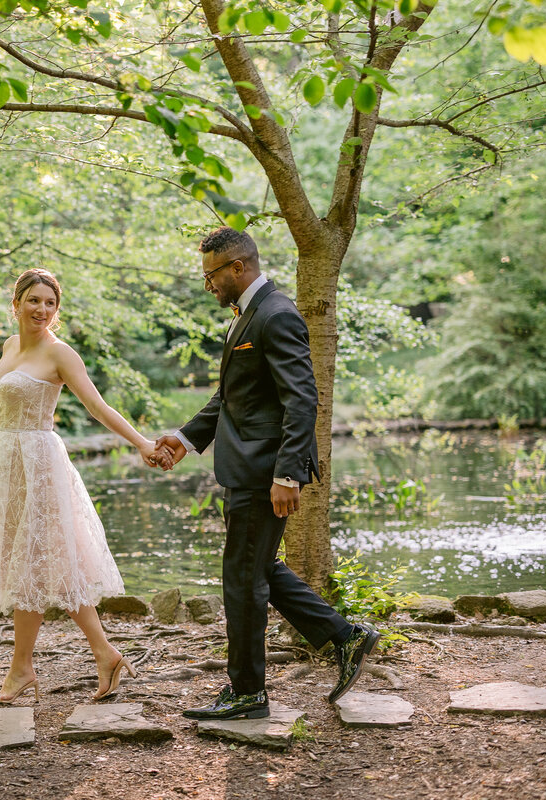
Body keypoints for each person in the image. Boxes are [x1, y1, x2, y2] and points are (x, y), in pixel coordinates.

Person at [150, 226, 377, 721]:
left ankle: (248, 693)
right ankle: (345, 635)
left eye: (212, 275)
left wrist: (287, 475)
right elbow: (232, 399)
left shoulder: (275, 315)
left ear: (239, 267)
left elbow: (303, 401)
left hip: (263, 472)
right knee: (259, 570)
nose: (208, 285)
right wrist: (185, 439)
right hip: (247, 468)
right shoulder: (248, 315)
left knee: (242, 580)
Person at [0, 268, 160, 704]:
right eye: (34, 300)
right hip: (4, 463)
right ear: (16, 303)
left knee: (42, 562)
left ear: (56, 310)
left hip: (40, 464)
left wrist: (142, 443)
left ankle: (36, 667)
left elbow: (97, 407)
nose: (41, 309)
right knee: (31, 565)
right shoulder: (7, 347)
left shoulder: (61, 355)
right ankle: (89, 658)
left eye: (50, 303)